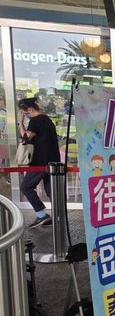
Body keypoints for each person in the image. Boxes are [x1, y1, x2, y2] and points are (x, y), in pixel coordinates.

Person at [17, 97, 60, 228]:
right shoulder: (47, 120)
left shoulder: (35, 121)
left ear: (29, 110)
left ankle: (42, 215)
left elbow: (26, 138)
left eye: (25, 113)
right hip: (52, 161)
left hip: (40, 161)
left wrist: (21, 123)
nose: (25, 115)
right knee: (51, 190)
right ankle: (58, 217)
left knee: (26, 187)